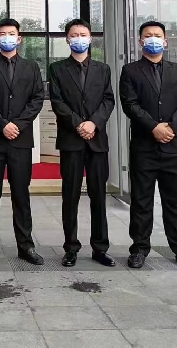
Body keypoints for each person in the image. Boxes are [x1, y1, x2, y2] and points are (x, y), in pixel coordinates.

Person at [119, 21, 177, 270]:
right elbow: (130, 104)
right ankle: (139, 249)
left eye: (157, 35)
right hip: (144, 147)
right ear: (140, 41)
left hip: (173, 148)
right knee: (141, 201)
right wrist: (153, 127)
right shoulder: (130, 71)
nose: (153, 39)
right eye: (148, 35)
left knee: (174, 202)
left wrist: (171, 128)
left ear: (165, 41)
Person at [0, 18, 45, 266]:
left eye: (11, 33)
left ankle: (26, 246)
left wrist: (19, 124)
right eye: (2, 34)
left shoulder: (31, 67)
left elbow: (37, 99)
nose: (7, 37)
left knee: (21, 195)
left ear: (19, 38)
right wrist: (3, 124)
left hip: (21, 141)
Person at [49, 19, 116, 268]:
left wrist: (93, 123)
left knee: (99, 196)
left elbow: (108, 100)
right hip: (71, 141)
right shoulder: (57, 69)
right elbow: (57, 102)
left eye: (83, 34)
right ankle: (71, 247)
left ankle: (100, 248)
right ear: (67, 39)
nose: (79, 38)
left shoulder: (103, 69)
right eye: (74, 34)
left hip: (97, 142)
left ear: (91, 38)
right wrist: (79, 124)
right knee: (71, 196)